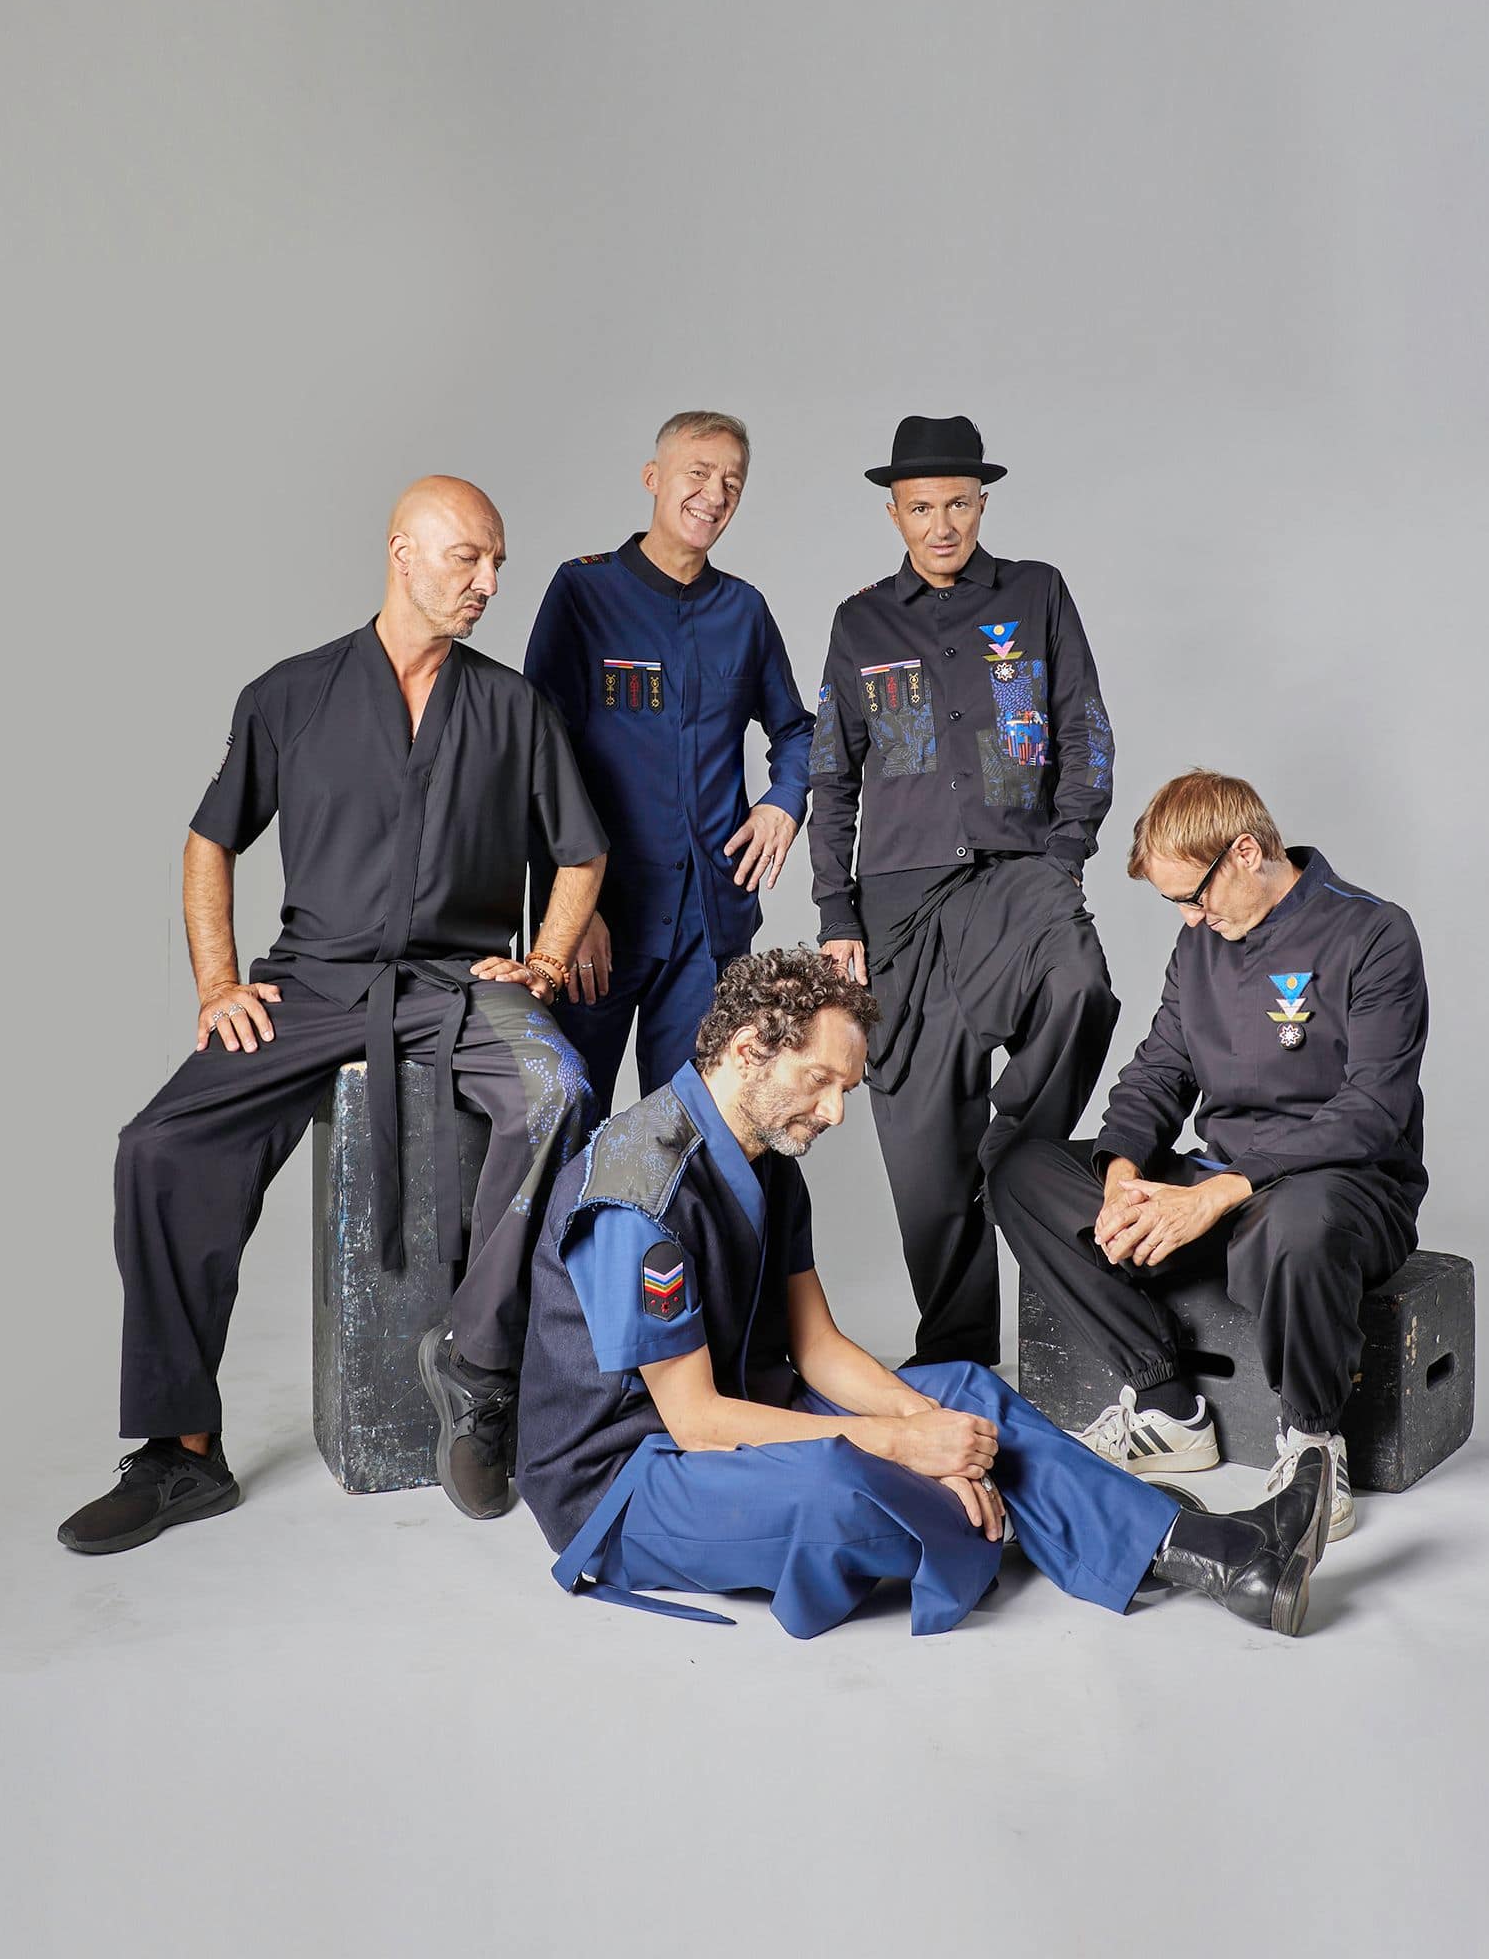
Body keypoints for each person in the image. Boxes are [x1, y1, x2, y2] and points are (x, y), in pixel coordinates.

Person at [58, 477, 609, 1553]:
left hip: (460, 985)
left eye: (497, 561)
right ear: (402, 552)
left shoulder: (513, 707)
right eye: (468, 557)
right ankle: (182, 1452)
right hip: (313, 985)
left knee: (556, 1089)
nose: (489, 582)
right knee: (158, 1149)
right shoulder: (290, 694)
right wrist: (217, 984)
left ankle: (477, 1364)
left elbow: (581, 853)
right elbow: (209, 839)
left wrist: (544, 961)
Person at [513, 949, 1337, 1640]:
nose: (835, 1112)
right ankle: (1075, 1515)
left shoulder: (767, 1154)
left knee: (963, 1392)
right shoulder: (638, 1193)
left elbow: (817, 1347)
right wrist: (907, 1446)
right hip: (632, 1478)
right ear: (747, 1050)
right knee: (841, 1486)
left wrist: (924, 1422)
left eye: (846, 1089)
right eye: (821, 1080)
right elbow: (695, 1422)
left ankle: (1220, 1554)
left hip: (744, 1408)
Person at [989, 770, 1430, 1542]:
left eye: (1193, 896)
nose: (1189, 918)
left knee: (1299, 1221)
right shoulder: (1199, 945)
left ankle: (1312, 1447)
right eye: (1175, 905)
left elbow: (1372, 1112)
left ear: (1246, 852)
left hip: (1343, 1191)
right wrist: (1123, 1176)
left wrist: (1219, 1193)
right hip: (1219, 1187)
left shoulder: (1373, 933)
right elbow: (1159, 1072)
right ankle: (1166, 1407)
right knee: (1020, 1173)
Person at [807, 414, 1121, 1368]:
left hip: (1018, 871)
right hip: (898, 904)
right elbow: (832, 776)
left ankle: (1015, 1157)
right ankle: (958, 1357)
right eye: (921, 508)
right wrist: (836, 914)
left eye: (958, 504)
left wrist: (1062, 856)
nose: (941, 525)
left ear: (982, 504)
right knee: (921, 1148)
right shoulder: (861, 621)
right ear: (894, 514)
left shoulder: (1035, 593)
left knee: (1080, 988)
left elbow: (1085, 729)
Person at [523, 411, 813, 1115]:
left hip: (707, 926)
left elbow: (797, 731)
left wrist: (784, 800)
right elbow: (537, 754)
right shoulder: (583, 593)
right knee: (567, 1117)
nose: (714, 494)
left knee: (689, 1127)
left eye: (732, 481)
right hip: (602, 916)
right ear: (653, 478)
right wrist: (571, 912)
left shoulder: (744, 611)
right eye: (697, 473)